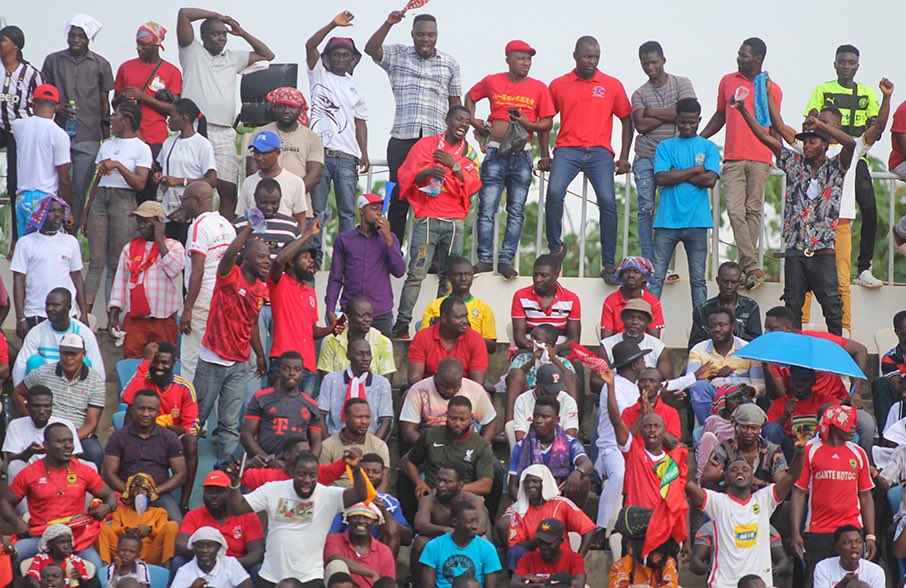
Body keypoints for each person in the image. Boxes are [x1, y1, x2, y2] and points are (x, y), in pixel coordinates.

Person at [732, 87, 855, 335]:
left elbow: (850, 143)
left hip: (823, 251)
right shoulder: (794, 163)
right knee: (792, 305)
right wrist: (743, 110)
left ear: (824, 144)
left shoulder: (836, 167)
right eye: (805, 141)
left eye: (812, 141)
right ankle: (794, 354)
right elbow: (765, 137)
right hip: (795, 251)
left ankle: (837, 349)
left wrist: (820, 124)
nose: (806, 145)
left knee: (832, 306)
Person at [364, 10, 462, 242]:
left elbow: (456, 104)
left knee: (432, 196)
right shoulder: (399, 55)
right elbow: (371, 49)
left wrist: (456, 141)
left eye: (431, 35)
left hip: (434, 142)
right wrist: (388, 23)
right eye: (420, 35)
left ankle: (426, 254)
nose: (426, 39)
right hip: (402, 137)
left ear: (436, 35)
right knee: (399, 195)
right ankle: (393, 249)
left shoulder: (449, 63)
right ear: (412, 34)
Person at [543, 35, 633, 283]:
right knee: (554, 191)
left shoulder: (611, 84)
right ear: (575, 56)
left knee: (607, 201)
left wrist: (624, 156)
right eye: (587, 56)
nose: (592, 61)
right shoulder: (558, 84)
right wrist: (545, 153)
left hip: (600, 151)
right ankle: (556, 247)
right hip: (567, 149)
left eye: (596, 56)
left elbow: (627, 119)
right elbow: (545, 120)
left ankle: (608, 264)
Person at [391, 105, 481, 339]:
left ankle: (443, 324)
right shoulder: (426, 145)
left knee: (448, 277)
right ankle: (402, 323)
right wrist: (427, 172)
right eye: (459, 119)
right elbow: (406, 175)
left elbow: (473, 183)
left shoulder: (470, 152)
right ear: (447, 121)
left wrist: (454, 165)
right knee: (416, 273)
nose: (463, 124)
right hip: (427, 219)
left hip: (454, 222)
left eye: (467, 121)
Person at [467, 39, 554, 279]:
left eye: (529, 59)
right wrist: (473, 121)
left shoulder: (539, 88)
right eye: (521, 58)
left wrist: (529, 126)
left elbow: (547, 122)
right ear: (508, 59)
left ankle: (505, 260)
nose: (526, 63)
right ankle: (485, 259)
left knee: (516, 211)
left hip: (522, 153)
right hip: (495, 151)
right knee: (487, 208)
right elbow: (470, 96)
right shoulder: (492, 81)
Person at [176, 7, 275, 219]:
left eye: (224, 34)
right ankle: (189, 228)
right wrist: (216, 16)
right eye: (216, 33)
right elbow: (184, 13)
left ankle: (225, 231)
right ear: (203, 36)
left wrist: (242, 33)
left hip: (224, 131)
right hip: (194, 128)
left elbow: (268, 55)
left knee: (228, 188)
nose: (221, 38)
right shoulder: (191, 51)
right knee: (191, 186)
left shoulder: (233, 57)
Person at [700, 38, 782, 290]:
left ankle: (746, 268)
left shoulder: (772, 89)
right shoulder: (727, 81)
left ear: (758, 59)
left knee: (752, 211)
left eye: (743, 55)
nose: (738, 58)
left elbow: (775, 125)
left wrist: (781, 155)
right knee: (735, 211)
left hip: (761, 158)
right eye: (739, 54)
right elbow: (721, 115)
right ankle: (751, 264)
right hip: (733, 157)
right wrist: (699, 139)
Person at [685, 422, 805, 588]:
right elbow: (688, 486)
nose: (740, 471)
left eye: (745, 469)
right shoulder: (718, 502)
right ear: (726, 478)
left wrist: (799, 451)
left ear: (752, 478)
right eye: (734, 470)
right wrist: (675, 462)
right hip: (724, 585)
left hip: (760, 584)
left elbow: (791, 476)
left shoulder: (764, 499)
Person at [225, 449, 368, 585]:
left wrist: (356, 469)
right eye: (301, 474)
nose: (307, 480)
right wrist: (235, 483)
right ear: (292, 472)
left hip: (309, 578)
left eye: (312, 475)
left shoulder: (328, 495)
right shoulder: (272, 489)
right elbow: (236, 508)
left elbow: (360, 494)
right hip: (271, 576)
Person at [806, 45, 882, 289]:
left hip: (856, 159)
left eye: (851, 62)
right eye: (842, 62)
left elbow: (875, 126)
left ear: (858, 66)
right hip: (827, 159)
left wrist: (874, 121)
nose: (846, 66)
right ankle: (811, 258)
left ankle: (864, 268)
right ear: (835, 64)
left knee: (869, 209)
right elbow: (810, 119)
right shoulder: (822, 89)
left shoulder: (867, 93)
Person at [193, 225, 269, 467]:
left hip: (239, 363)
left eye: (268, 257)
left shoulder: (261, 289)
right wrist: (248, 228)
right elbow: (228, 255)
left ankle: (224, 468)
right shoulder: (229, 275)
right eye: (261, 256)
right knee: (196, 418)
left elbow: (252, 322)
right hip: (212, 359)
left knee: (230, 422)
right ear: (246, 258)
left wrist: (260, 355)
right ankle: (183, 463)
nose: (266, 261)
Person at [0, 423, 116, 572]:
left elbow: (109, 496)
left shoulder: (84, 471)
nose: (68, 446)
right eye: (61, 441)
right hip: (40, 536)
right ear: (46, 445)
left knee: (96, 567)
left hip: (76, 538)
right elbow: (5, 501)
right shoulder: (30, 472)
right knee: (11, 559)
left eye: (70, 441)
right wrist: (17, 522)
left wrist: (107, 507)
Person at [602, 366, 689, 560]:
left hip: (663, 521)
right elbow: (617, 423)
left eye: (652, 381)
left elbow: (681, 501)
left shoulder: (672, 458)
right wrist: (611, 388)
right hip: (635, 512)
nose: (647, 384)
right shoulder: (634, 450)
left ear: (660, 386)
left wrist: (650, 414)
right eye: (643, 380)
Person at [305, 12, 370, 256]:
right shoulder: (318, 74)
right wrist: (332, 24)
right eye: (336, 55)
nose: (341, 59)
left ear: (352, 59)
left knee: (347, 212)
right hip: (319, 155)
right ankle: (313, 258)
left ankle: (345, 258)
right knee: (317, 210)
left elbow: (360, 122)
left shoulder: (356, 88)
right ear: (328, 58)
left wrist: (364, 152)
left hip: (347, 157)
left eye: (346, 55)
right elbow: (310, 45)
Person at [40, 15, 113, 227]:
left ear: (89, 38)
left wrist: (106, 138)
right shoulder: (53, 61)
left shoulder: (101, 64)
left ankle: (70, 234)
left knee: (80, 189)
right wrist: (58, 107)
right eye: (72, 35)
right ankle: (51, 231)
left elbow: (104, 103)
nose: (75, 40)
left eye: (81, 36)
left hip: (89, 134)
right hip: (58, 131)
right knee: (54, 185)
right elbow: (44, 94)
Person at [790, 405, 876, 585]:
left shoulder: (858, 452)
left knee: (854, 583)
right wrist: (795, 533)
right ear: (833, 425)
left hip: (852, 530)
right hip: (819, 531)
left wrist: (870, 535)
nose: (853, 427)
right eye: (848, 423)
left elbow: (866, 497)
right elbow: (799, 494)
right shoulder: (810, 450)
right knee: (817, 581)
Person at [649, 97, 720, 311]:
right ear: (676, 119)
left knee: (698, 280)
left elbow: (710, 180)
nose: (687, 126)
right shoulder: (665, 146)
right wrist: (695, 170)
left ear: (699, 120)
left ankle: (700, 327)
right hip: (666, 222)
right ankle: (648, 323)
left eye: (692, 122)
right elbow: (661, 178)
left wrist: (676, 173)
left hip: (697, 222)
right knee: (656, 278)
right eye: (682, 122)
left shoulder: (709, 147)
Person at [630, 40, 697, 263]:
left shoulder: (682, 83)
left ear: (663, 60)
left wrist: (651, 112)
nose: (650, 67)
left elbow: (688, 114)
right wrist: (671, 113)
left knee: (673, 207)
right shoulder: (639, 93)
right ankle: (648, 260)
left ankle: (667, 261)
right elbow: (640, 126)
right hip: (647, 155)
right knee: (645, 208)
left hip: (675, 158)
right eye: (645, 64)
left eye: (654, 62)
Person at [82, 101, 151, 310]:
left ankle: (111, 317)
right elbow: (98, 179)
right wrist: (87, 210)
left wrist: (118, 165)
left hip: (123, 200)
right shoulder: (107, 145)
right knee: (96, 261)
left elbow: (140, 183)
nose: (111, 119)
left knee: (116, 262)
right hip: (100, 199)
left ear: (126, 121)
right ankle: (85, 317)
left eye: (115, 116)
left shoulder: (142, 148)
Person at [121, 342, 199, 511]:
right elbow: (127, 398)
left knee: (191, 441)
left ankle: (184, 503)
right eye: (155, 362)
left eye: (165, 363)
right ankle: (127, 488)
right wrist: (146, 361)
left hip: (171, 441)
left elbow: (192, 426)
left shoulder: (184, 387)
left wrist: (169, 430)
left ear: (174, 362)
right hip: (142, 435)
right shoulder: (144, 379)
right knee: (130, 411)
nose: (159, 367)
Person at [13, 333, 106, 468]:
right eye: (65, 353)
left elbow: (91, 423)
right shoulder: (43, 372)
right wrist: (31, 418)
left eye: (74, 353)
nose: (69, 358)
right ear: (60, 353)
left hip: (78, 433)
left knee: (94, 452)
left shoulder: (96, 382)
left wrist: (67, 440)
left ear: (83, 354)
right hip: (44, 429)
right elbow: (18, 393)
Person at [113, 22, 181, 205]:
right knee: (127, 188)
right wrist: (124, 99)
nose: (139, 48)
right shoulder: (125, 67)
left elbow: (174, 109)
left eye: (144, 44)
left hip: (155, 138)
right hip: (128, 138)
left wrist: (143, 97)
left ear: (156, 45)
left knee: (153, 187)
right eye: (137, 43)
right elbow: (114, 102)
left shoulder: (172, 71)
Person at [400, 397, 497, 525]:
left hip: (465, 500)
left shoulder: (481, 445)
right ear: (446, 415)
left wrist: (452, 489)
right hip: (434, 498)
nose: (457, 424)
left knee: (481, 527)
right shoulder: (430, 435)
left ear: (471, 418)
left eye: (463, 419)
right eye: (453, 418)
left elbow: (486, 485)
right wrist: (419, 482)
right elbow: (410, 461)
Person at [107, 202, 185, 356]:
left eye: (145, 222)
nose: (140, 226)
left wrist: (159, 240)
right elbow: (120, 284)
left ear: (159, 223)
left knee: (164, 363)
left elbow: (174, 270)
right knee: (133, 361)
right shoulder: (129, 248)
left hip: (164, 319)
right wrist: (113, 315)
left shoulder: (174, 246)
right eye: (139, 221)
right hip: (136, 320)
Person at [268, 219, 336, 392]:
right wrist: (307, 234)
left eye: (311, 258)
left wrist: (332, 329)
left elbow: (312, 331)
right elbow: (278, 262)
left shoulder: (310, 292)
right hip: (284, 363)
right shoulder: (279, 282)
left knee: (304, 410)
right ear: (291, 262)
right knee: (278, 407)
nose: (311, 261)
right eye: (305, 257)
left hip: (308, 366)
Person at [326, 193, 406, 338]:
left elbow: (399, 271)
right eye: (374, 209)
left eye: (381, 209)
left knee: (381, 352)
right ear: (361, 211)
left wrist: (388, 239)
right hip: (351, 312)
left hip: (380, 314)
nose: (379, 213)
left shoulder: (390, 238)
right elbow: (335, 277)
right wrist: (330, 309)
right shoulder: (344, 239)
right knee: (348, 351)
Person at [103, 390, 187, 522]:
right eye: (141, 409)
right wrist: (128, 491)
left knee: (177, 524)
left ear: (158, 413)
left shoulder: (169, 437)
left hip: (159, 493)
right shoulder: (118, 437)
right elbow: (109, 473)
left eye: (151, 410)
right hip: (124, 493)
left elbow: (180, 474)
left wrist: (153, 491)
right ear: (132, 410)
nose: (146, 414)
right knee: (107, 525)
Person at [11, 196, 87, 341]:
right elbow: (19, 281)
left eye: (60, 211)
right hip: (35, 314)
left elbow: (77, 277)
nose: (57, 214)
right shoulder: (25, 243)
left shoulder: (71, 242)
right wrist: (20, 318)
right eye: (52, 211)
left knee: (67, 354)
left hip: (67, 315)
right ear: (41, 213)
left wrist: (83, 313)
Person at [504, 465, 595, 572]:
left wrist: (577, 559)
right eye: (527, 482)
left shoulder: (561, 504)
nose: (530, 486)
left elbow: (589, 529)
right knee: (515, 552)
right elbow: (516, 543)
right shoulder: (518, 510)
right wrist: (541, 540)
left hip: (560, 561)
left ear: (544, 483)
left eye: (535, 481)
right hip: (535, 562)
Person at [9, 83, 72, 239]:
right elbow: (64, 180)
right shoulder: (59, 135)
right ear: (56, 106)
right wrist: (68, 210)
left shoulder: (18, 126)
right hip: (45, 201)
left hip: (22, 198)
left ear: (33, 104)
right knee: (47, 246)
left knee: (26, 244)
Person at [409, 461, 487, 581]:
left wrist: (456, 534)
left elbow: (481, 528)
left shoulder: (473, 500)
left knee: (485, 542)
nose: (440, 485)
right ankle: (416, 583)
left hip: (466, 538)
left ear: (460, 485)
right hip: (438, 540)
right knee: (420, 542)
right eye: (438, 480)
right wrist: (446, 530)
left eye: (447, 481)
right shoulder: (428, 500)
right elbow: (420, 525)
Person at [685, 306, 765, 425]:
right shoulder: (698, 350)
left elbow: (760, 385)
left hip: (741, 400)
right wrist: (714, 375)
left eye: (722, 325)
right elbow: (689, 382)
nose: (716, 329)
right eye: (712, 326)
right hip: (712, 402)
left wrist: (751, 390)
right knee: (699, 386)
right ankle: (707, 425)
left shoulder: (749, 350)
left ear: (733, 326)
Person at [153, 97, 217, 244]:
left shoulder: (203, 144)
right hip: (169, 208)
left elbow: (212, 180)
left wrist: (180, 181)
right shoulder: (169, 142)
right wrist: (159, 176)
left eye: (172, 116)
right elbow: (162, 168)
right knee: (169, 247)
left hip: (190, 208)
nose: (168, 120)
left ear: (184, 118)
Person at [249, 87, 324, 212]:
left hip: (298, 209)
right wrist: (269, 197)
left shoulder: (312, 138)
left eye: (292, 107)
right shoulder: (260, 133)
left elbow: (314, 176)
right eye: (281, 106)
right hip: (263, 208)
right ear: (274, 108)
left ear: (300, 109)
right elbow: (252, 170)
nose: (286, 111)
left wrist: (288, 198)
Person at [0, 24, 43, 243]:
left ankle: (17, 239)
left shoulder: (31, 74)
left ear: (15, 46)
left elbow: (41, 104)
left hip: (21, 133)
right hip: (1, 127)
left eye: (3, 40)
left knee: (15, 184)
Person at [509, 397, 593, 506]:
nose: (538, 420)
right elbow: (513, 486)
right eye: (536, 416)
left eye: (545, 417)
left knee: (583, 480)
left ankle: (571, 515)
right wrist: (525, 508)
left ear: (556, 420)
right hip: (531, 503)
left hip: (561, 499)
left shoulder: (570, 443)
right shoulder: (521, 446)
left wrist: (578, 472)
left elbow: (587, 464)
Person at [243, 350, 321, 465]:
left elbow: (316, 441)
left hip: (296, 469)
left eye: (297, 369)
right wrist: (268, 460)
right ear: (278, 372)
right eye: (286, 369)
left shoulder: (311, 404)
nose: (292, 373)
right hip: (265, 465)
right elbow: (246, 435)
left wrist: (307, 464)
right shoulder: (261, 398)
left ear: (303, 374)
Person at [176, 471, 264, 573]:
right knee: (178, 562)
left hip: (237, 568)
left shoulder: (248, 516)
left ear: (231, 493)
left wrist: (225, 564)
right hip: (202, 565)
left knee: (258, 570)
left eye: (219, 491)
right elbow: (180, 545)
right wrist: (207, 557)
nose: (213, 495)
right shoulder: (193, 515)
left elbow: (257, 552)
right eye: (209, 491)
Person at [399, 358, 498, 448]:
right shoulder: (418, 390)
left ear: (461, 378)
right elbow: (408, 431)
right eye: (445, 386)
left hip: (466, 445)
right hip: (430, 443)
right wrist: (430, 447)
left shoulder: (475, 390)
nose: (449, 391)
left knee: (493, 463)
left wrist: (480, 447)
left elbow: (491, 422)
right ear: (436, 376)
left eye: (455, 386)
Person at [328, 453, 412, 558]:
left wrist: (384, 512)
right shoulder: (344, 497)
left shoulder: (390, 502)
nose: (370, 475)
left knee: (392, 526)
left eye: (376, 472)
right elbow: (332, 535)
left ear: (383, 475)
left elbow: (407, 539)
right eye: (365, 471)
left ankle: (386, 567)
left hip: (378, 554)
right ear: (357, 472)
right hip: (346, 551)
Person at [12, 288, 103, 386]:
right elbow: (21, 364)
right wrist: (19, 391)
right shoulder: (37, 331)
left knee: (85, 363)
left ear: (68, 307)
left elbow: (97, 367)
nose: (49, 309)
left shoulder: (83, 332)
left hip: (72, 388)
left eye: (55, 305)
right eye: (47, 305)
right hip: (44, 387)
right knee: (34, 361)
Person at [2, 386, 83, 486]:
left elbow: (73, 457)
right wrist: (29, 451)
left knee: (90, 466)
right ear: (27, 406)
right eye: (36, 406)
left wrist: (52, 452)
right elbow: (11, 459)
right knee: (14, 466)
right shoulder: (16, 425)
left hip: (59, 471)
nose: (42, 411)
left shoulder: (65, 424)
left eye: (46, 406)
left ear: (52, 406)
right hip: (30, 474)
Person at [96, 473, 178, 566]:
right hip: (124, 552)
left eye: (143, 489)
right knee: (102, 526)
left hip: (149, 553)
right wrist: (127, 531)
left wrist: (150, 530)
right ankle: (106, 566)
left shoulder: (160, 512)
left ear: (149, 493)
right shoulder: (120, 510)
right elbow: (114, 529)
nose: (139, 492)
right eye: (135, 490)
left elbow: (162, 531)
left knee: (172, 525)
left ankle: (167, 567)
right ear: (130, 493)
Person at [318, 339, 393, 439]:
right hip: (336, 438)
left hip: (370, 439)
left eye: (368, 354)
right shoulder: (331, 380)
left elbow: (386, 420)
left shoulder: (382, 383)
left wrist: (374, 445)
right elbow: (320, 415)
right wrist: (329, 443)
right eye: (360, 354)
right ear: (348, 356)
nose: (365, 358)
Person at [420, 256, 496, 353]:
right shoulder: (435, 305)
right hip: (439, 357)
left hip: (470, 358)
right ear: (449, 277)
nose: (463, 278)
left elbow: (492, 348)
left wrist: (468, 332)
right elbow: (421, 340)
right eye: (458, 274)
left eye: (468, 274)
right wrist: (437, 329)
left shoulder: (484, 308)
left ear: (473, 276)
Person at [507, 324, 580, 424]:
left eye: (536, 338)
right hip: (527, 396)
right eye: (531, 336)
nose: (530, 340)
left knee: (569, 374)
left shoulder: (562, 361)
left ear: (549, 344)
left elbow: (573, 381)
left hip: (554, 396)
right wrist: (532, 361)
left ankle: (572, 423)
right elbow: (510, 379)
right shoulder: (522, 358)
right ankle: (509, 424)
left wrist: (553, 359)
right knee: (517, 372)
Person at [419, 501, 500, 588]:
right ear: (454, 522)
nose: (475, 526)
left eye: (476, 521)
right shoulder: (434, 546)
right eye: (469, 521)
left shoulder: (487, 548)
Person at [407, 297, 488, 384]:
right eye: (458, 317)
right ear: (444, 318)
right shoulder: (422, 337)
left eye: (466, 316)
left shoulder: (475, 339)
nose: (465, 321)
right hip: (428, 388)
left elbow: (477, 382)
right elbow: (414, 378)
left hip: (465, 389)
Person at [236, 131, 308, 226]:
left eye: (264, 153)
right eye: (256, 153)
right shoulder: (248, 183)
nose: (259, 158)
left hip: (283, 234)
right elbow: (242, 218)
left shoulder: (295, 182)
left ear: (277, 152)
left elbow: (300, 220)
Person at [597, 299, 673, 390]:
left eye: (640, 319)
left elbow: (669, 382)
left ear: (648, 323)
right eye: (630, 317)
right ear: (623, 319)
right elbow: (595, 381)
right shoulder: (607, 344)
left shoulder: (657, 346)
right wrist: (626, 390)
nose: (634, 322)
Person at [317, 297, 397, 382]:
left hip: (371, 390)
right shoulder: (331, 341)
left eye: (369, 316)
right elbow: (326, 381)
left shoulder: (383, 342)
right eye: (361, 316)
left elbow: (385, 384)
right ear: (348, 317)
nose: (367, 320)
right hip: (337, 390)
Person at [689, 261, 762, 349]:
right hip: (710, 356)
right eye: (725, 281)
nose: (729, 286)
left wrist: (737, 332)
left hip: (741, 356)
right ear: (717, 281)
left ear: (739, 282)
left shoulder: (751, 307)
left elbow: (758, 344)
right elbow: (693, 346)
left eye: (734, 282)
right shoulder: (702, 310)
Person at [319, 399, 389, 489]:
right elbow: (323, 481)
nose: (364, 421)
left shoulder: (379, 445)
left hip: (369, 494)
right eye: (359, 417)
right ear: (346, 417)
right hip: (337, 494)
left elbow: (384, 481)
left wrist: (376, 497)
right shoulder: (327, 446)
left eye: (367, 417)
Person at [323, 502, 395, 588]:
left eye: (367, 518)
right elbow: (334, 557)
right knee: (337, 564)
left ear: (375, 522)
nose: (361, 521)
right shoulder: (334, 539)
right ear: (348, 519)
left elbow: (388, 583)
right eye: (356, 517)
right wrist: (371, 573)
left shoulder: (384, 551)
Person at [600, 256, 664, 339]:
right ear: (621, 276)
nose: (631, 275)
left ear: (644, 277)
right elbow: (606, 339)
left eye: (636, 272)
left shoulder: (653, 302)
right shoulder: (611, 301)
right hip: (617, 346)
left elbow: (654, 339)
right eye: (626, 272)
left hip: (643, 346)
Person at [511, 518, 586, 587]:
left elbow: (579, 584)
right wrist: (540, 586)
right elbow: (514, 584)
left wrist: (542, 580)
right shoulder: (527, 558)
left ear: (561, 540)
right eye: (540, 541)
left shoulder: (574, 558)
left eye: (548, 542)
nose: (543, 546)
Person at [512, 364, 580, 442]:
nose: (553, 394)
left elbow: (570, 437)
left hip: (560, 447)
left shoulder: (568, 401)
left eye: (557, 390)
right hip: (530, 447)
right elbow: (520, 438)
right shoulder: (523, 400)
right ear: (537, 384)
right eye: (549, 391)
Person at [170, 526, 252, 588]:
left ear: (218, 547)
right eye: (200, 546)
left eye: (210, 546)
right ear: (194, 548)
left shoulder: (230, 563)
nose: (204, 550)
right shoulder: (184, 571)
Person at [812, 525, 886, 588]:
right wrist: (843, 584)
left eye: (858, 542)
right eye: (848, 542)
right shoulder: (823, 567)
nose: (854, 546)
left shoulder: (876, 571)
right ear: (837, 548)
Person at [25, 524, 99, 587]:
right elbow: (32, 577)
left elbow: (85, 584)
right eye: (61, 542)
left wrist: (79, 578)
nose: (66, 546)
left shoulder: (76, 560)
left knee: (94, 583)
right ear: (49, 544)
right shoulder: (41, 558)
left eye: (69, 542)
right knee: (21, 582)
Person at [695, 385, 744, 478]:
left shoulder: (744, 420)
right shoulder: (713, 420)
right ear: (724, 401)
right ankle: (701, 476)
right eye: (733, 398)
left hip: (740, 457)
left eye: (739, 398)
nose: (738, 401)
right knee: (708, 436)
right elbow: (704, 446)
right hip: (717, 459)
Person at [874, 310, 906, 427]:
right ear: (898, 332)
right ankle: (886, 434)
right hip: (901, 403)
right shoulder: (890, 358)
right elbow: (899, 390)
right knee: (880, 383)